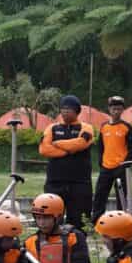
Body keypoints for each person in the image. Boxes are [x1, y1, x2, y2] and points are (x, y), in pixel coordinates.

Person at [39, 95, 94, 229]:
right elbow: (44, 149)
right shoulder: (52, 128)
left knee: (78, 221)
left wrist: (58, 144)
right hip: (55, 182)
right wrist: (68, 150)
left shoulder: (86, 127)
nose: (65, 111)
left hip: (80, 182)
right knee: (52, 219)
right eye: (63, 108)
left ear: (77, 111)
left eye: (69, 109)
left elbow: (81, 143)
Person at [91, 96, 132, 223]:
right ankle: (96, 221)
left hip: (120, 168)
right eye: (113, 109)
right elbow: (100, 146)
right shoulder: (104, 126)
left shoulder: (126, 127)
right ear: (109, 109)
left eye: (119, 109)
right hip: (106, 167)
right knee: (100, 195)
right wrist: (101, 161)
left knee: (121, 197)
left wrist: (125, 164)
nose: (116, 111)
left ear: (122, 110)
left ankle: (120, 222)